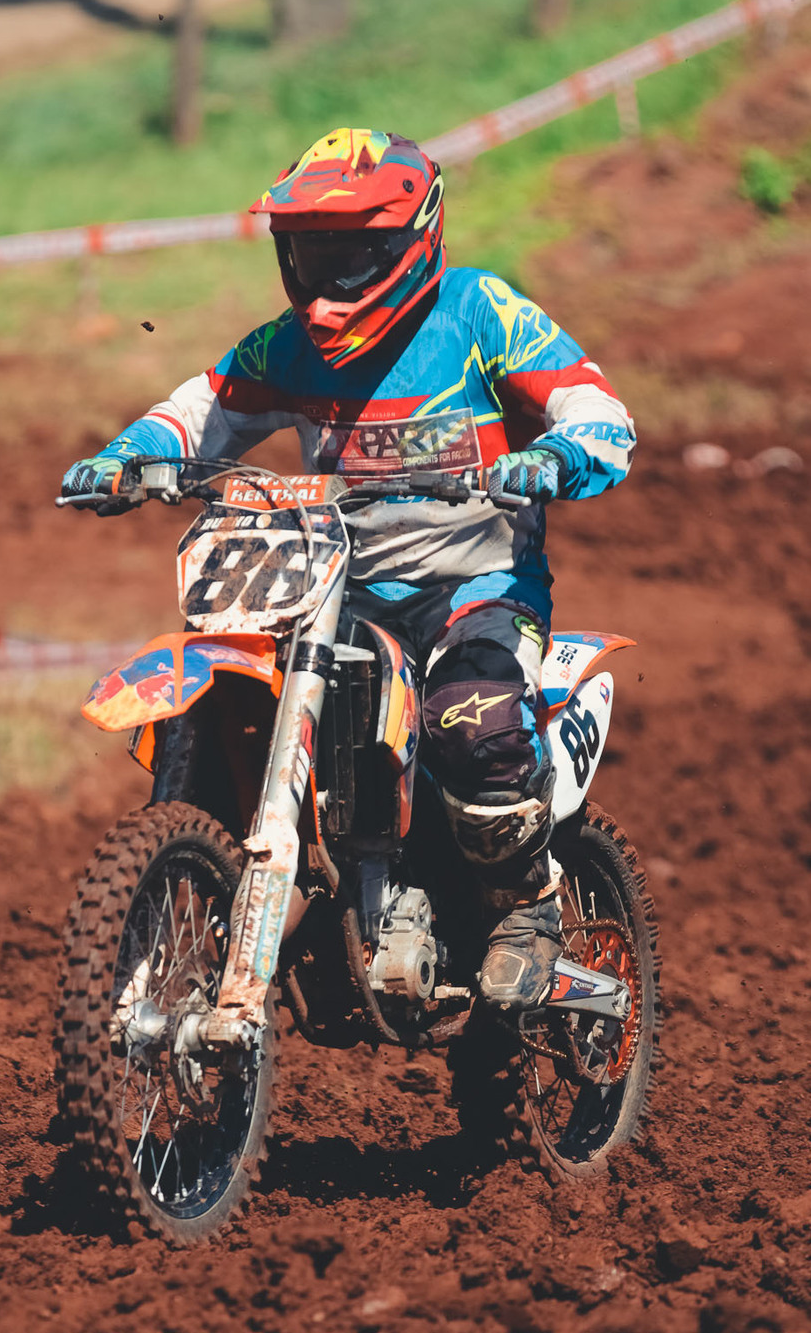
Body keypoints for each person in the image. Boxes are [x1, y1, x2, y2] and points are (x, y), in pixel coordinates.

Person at [62, 128, 635, 1017]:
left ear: (411, 242)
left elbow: (595, 406)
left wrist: (557, 455)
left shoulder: (479, 312)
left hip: (478, 587)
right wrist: (127, 458)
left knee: (472, 722)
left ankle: (529, 908)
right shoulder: (289, 347)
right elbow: (203, 407)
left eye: (352, 253)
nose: (328, 277)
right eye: (310, 252)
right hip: (336, 589)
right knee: (243, 706)